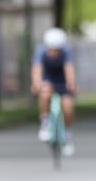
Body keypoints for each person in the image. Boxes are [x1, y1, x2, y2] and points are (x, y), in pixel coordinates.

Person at [32, 27, 77, 156]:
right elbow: (37, 69)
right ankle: (45, 122)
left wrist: (72, 84)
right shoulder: (40, 51)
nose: (53, 52)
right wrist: (36, 84)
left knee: (68, 107)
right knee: (45, 93)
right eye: (51, 49)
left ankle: (67, 135)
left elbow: (69, 69)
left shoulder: (67, 51)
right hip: (48, 76)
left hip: (62, 78)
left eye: (56, 50)